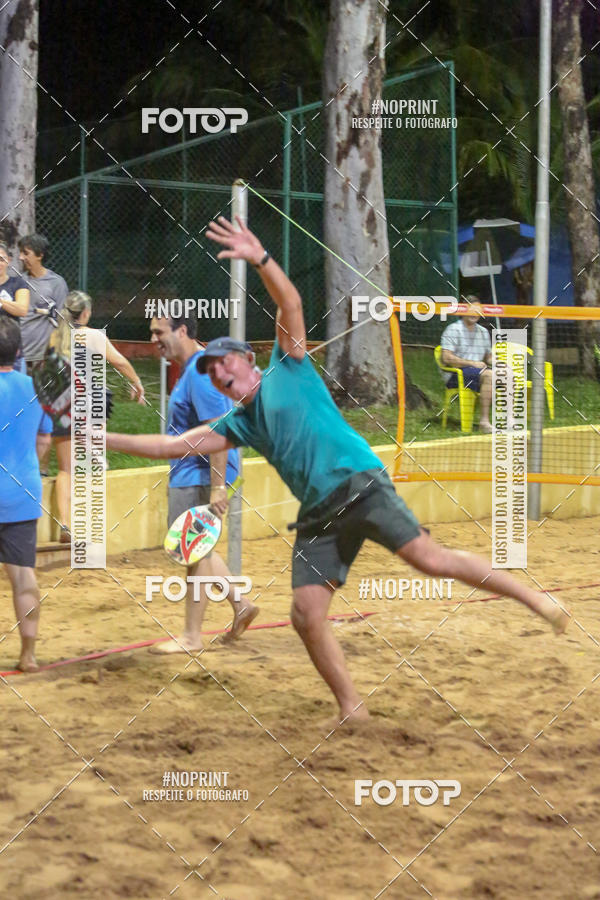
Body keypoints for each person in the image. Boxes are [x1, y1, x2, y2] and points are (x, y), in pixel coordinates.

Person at [106, 217, 570, 724]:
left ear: (245, 359)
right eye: (212, 375)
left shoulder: (289, 363)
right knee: (305, 615)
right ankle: (352, 709)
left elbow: (291, 304)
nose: (217, 375)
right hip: (319, 513)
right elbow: (170, 445)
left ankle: (534, 598)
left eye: (222, 365)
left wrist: (260, 258)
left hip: (359, 482)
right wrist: (99, 437)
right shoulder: (241, 423)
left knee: (430, 561)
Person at [148, 312, 258, 653]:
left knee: (192, 551)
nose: (153, 339)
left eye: (158, 332)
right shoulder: (194, 369)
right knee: (198, 548)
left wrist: (217, 486)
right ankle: (241, 605)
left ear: (182, 331)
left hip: (199, 473)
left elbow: (218, 431)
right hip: (195, 471)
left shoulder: (197, 372)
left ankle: (191, 637)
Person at [49, 290, 145, 540]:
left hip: (63, 404)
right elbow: (121, 362)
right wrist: (136, 382)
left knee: (65, 470)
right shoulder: (93, 336)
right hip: (90, 402)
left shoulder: (55, 337)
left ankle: (65, 524)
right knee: (96, 462)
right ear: (87, 313)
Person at [0, 318, 42, 671]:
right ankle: (28, 655)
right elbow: (43, 441)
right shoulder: (35, 387)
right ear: (18, 351)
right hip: (22, 494)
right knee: (24, 575)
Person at [18, 233, 69, 473]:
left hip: (43, 359)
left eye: (26, 253)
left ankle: (42, 468)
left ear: (40, 255)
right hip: (16, 359)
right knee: (19, 413)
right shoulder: (17, 281)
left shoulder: (56, 284)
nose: (21, 257)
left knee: (43, 414)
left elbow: (63, 322)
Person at [440, 298, 493, 432]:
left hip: (478, 372)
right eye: (470, 309)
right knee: (490, 376)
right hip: (456, 374)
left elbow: (489, 357)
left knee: (508, 375)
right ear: (463, 310)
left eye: (477, 310)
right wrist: (472, 363)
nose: (474, 313)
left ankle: (509, 421)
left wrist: (500, 364)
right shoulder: (453, 329)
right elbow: (446, 358)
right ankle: (484, 422)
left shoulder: (483, 332)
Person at [0, 241, 30, 373]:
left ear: (9, 260)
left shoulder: (18, 283)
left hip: (12, 351)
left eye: (2, 259)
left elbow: (22, 309)